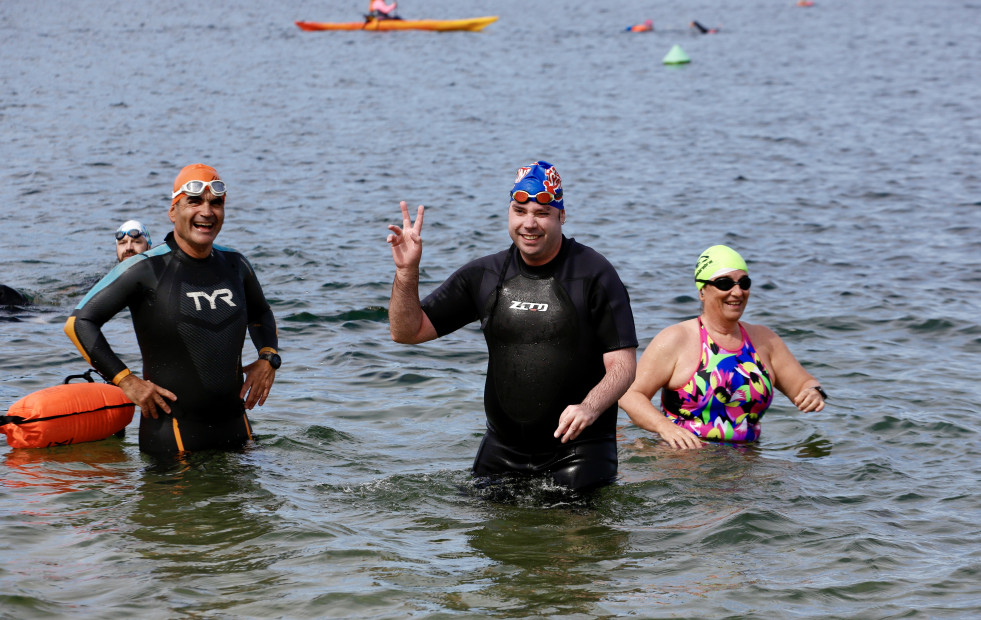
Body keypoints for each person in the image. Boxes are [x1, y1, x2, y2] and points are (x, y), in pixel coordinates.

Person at [387, 160, 638, 492]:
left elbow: (623, 366)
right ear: (509, 213)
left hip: (579, 452)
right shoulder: (485, 275)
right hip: (502, 451)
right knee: (484, 540)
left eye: (542, 213)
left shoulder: (594, 275)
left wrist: (589, 407)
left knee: (579, 541)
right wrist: (407, 273)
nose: (529, 223)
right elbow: (406, 332)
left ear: (561, 216)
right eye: (520, 211)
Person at [65, 164, 280, 456]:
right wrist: (126, 381)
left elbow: (261, 313)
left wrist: (268, 358)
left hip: (237, 428)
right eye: (194, 202)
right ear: (173, 211)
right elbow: (79, 323)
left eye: (216, 203)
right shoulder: (144, 269)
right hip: (172, 437)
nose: (207, 211)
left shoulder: (235, 265)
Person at [619, 245, 827, 449]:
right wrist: (664, 427)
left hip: (748, 465)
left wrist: (813, 392)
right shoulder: (676, 339)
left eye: (744, 283)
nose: (737, 292)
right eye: (725, 284)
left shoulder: (764, 339)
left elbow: (803, 383)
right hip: (684, 464)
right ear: (702, 291)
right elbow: (630, 394)